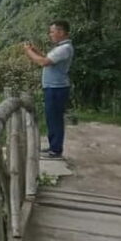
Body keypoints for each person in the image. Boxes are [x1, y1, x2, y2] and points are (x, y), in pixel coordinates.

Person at [22, 20, 74, 159]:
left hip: (56, 88)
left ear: (61, 32)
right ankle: (53, 147)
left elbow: (43, 62)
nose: (50, 34)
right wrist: (35, 50)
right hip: (53, 87)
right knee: (52, 118)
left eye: (52, 31)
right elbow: (47, 58)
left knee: (55, 119)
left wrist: (28, 52)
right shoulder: (60, 47)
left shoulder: (64, 48)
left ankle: (56, 150)